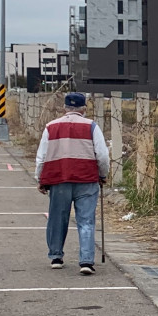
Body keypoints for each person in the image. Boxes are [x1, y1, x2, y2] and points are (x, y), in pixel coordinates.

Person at [35, 92, 110, 274]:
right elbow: (102, 155)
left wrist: (41, 179)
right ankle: (86, 261)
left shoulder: (51, 127)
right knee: (86, 220)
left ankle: (56, 256)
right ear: (84, 109)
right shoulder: (92, 126)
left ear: (65, 108)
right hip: (86, 178)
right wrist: (102, 174)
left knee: (57, 218)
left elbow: (42, 157)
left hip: (59, 178)